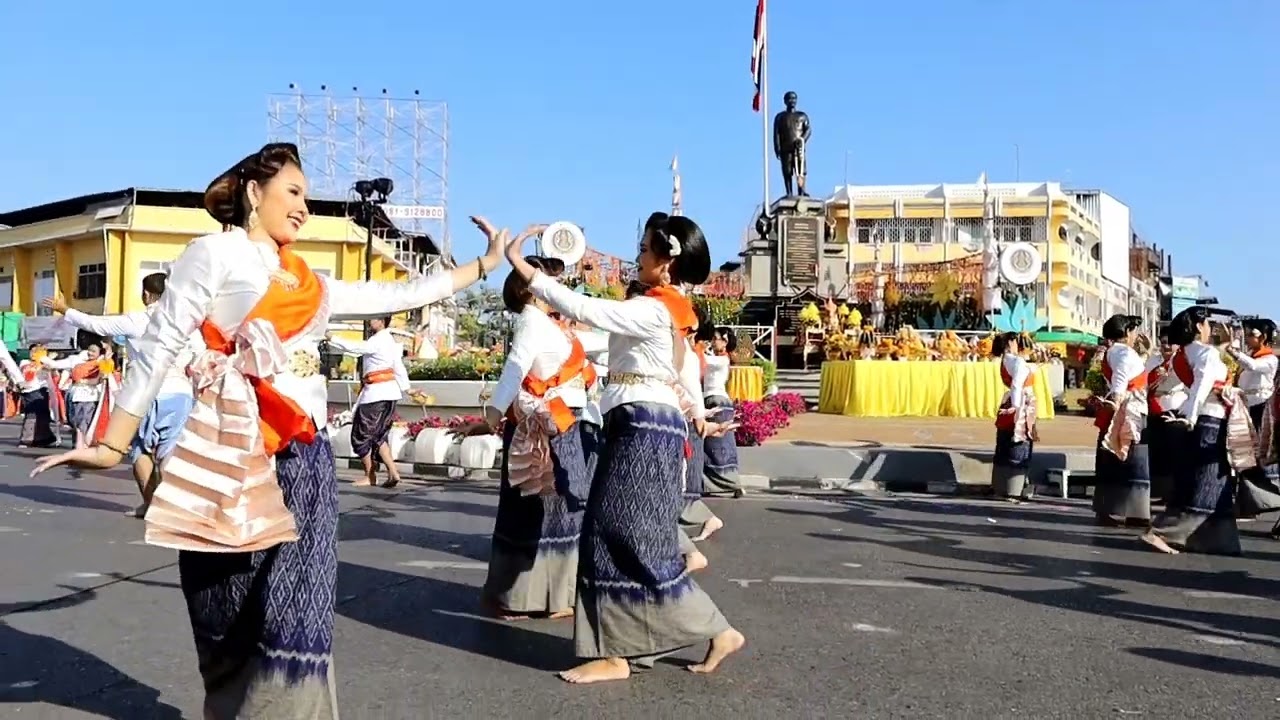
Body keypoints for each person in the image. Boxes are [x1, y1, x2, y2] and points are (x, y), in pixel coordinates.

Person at [31, 142, 504, 719]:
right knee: (222, 595)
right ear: (255, 194)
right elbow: (159, 344)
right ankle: (232, 702)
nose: (304, 207)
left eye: (306, 196)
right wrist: (111, 441)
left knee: (299, 606)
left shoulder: (309, 280)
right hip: (233, 451)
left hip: (302, 455)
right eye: (294, 193)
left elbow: (397, 293)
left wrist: (481, 266)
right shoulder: (214, 254)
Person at [506, 211, 745, 685]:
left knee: (609, 533)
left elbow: (589, 311)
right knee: (625, 535)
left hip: (643, 427)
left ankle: (642, 646)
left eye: (643, 249)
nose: (637, 256)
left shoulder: (656, 310)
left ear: (666, 263)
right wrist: (696, 416)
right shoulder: (665, 313)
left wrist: (523, 266)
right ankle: (647, 643)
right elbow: (667, 367)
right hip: (642, 425)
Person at [466, 250, 594, 621]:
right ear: (528, 288)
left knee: (557, 512)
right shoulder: (532, 322)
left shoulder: (548, 322)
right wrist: (491, 417)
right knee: (530, 512)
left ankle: (552, 597)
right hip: (538, 429)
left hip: (561, 424)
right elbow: (514, 370)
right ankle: (509, 596)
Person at [43, 274, 202, 518]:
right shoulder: (187, 322)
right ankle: (177, 507)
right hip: (179, 392)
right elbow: (198, 357)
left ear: (147, 294)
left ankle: (150, 506)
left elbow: (96, 324)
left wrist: (65, 309)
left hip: (143, 394)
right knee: (171, 450)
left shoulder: (136, 320)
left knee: (140, 450)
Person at [1141, 307, 1241, 555]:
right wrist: (1192, 414)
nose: (1210, 328)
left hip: (1199, 420)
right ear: (1198, 326)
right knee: (1209, 480)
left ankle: (1218, 540)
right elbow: (1201, 385)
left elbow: (1167, 385)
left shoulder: (1180, 356)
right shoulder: (1205, 353)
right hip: (1209, 420)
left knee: (1213, 482)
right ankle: (1162, 532)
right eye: (1207, 323)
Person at [326, 315, 423, 488]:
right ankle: (393, 473)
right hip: (388, 393)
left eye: (373, 318)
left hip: (376, 395)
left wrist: (332, 337)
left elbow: (357, 347)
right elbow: (398, 367)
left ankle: (369, 475)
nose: (370, 322)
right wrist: (408, 389)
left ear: (382, 321)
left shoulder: (378, 340)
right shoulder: (390, 342)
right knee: (379, 435)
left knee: (360, 435)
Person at [1093, 314, 1152, 527]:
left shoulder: (1116, 352)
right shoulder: (1124, 352)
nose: (1135, 335)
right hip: (1130, 409)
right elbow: (1121, 377)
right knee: (1132, 460)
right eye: (1134, 330)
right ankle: (1133, 512)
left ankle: (1109, 508)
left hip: (1125, 406)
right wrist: (1117, 399)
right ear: (1126, 332)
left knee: (1113, 457)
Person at [991, 332, 1037, 501]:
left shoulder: (1005, 361)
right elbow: (1017, 386)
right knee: (1019, 444)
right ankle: (1013, 490)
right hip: (1021, 404)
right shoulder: (1017, 362)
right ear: (1010, 343)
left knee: (1004, 442)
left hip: (1012, 402)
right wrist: (1016, 409)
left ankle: (1000, 486)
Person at [702, 326, 743, 498]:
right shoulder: (715, 358)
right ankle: (726, 483)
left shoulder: (722, 360)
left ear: (725, 342)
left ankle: (730, 483)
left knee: (718, 446)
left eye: (715, 338)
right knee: (715, 446)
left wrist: (695, 347)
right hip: (713, 400)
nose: (712, 342)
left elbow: (703, 361)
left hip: (717, 401)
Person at [40, 341, 106, 449]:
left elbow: (101, 378)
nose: (90, 353)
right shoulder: (76, 360)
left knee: (85, 421)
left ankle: (85, 446)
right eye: (89, 350)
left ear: (100, 353)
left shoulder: (102, 363)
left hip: (90, 396)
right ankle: (77, 445)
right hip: (75, 395)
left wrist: (89, 381)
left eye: (94, 351)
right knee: (75, 421)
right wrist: (41, 356)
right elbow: (55, 364)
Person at [1144, 328, 1185, 502]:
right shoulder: (1154, 360)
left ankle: (1176, 492)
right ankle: (1161, 491)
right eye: (1163, 343)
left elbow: (1181, 379)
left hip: (1174, 406)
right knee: (1157, 451)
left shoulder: (1182, 361)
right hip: (1154, 406)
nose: (1166, 346)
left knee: (1174, 452)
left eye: (1170, 342)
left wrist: (1166, 376)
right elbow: (1144, 376)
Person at [9, 343, 58, 447]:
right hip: (28, 391)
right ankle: (27, 439)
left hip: (41, 390)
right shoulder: (24, 362)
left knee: (42, 415)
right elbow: (26, 374)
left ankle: (43, 438)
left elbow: (53, 374)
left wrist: (48, 364)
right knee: (31, 415)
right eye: (32, 351)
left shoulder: (45, 364)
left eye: (36, 351)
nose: (33, 354)